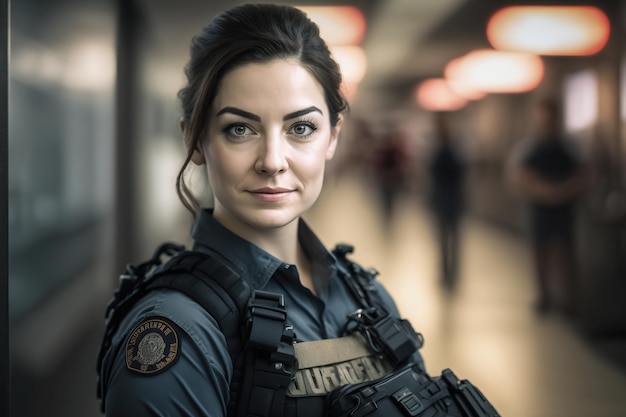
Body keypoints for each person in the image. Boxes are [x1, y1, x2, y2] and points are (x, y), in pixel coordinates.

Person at [97, 4, 499, 417]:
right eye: (239, 129)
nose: (272, 161)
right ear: (195, 142)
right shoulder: (179, 334)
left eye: (300, 128)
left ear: (332, 138)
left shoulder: (366, 295)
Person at [508, 99, 589, 316]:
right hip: (539, 209)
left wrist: (561, 191)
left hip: (564, 209)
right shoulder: (530, 148)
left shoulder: (569, 147)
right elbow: (520, 177)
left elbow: (583, 175)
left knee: (566, 254)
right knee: (540, 253)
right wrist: (544, 192)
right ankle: (544, 297)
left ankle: (570, 300)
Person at [426, 112, 466, 290]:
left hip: (451, 199)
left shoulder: (451, 149)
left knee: (452, 239)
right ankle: (446, 272)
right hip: (444, 199)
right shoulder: (440, 149)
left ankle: (451, 273)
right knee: (445, 239)